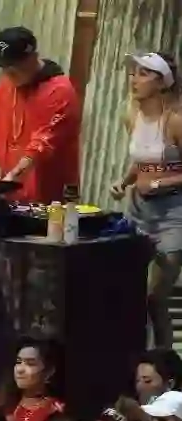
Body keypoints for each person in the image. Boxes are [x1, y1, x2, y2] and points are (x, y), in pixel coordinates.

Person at [110, 52, 182, 348]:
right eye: (133, 72)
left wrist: (159, 182)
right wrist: (124, 180)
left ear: (162, 82)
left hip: (172, 212)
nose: (134, 79)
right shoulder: (131, 116)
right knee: (129, 291)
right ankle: (133, 357)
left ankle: (166, 364)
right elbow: (142, 161)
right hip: (139, 209)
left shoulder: (175, 121)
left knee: (156, 297)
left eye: (143, 73)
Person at [0, 26, 81, 204]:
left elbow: (43, 143)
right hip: (7, 192)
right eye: (4, 67)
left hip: (45, 195)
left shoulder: (60, 90)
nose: (8, 73)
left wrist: (15, 174)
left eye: (14, 67)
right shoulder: (6, 86)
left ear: (33, 58)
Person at [4, 337, 65, 421]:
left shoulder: (54, 412)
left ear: (49, 372)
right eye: (18, 362)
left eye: (30, 364)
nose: (20, 369)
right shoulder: (5, 404)